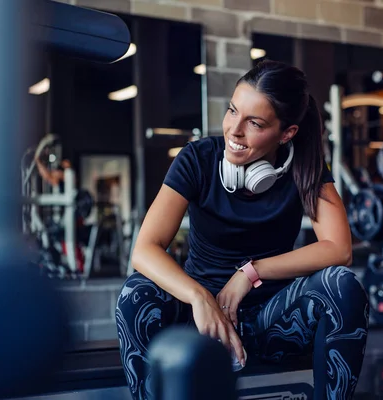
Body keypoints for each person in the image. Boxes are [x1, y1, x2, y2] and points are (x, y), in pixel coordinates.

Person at [116, 60, 369, 400]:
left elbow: (339, 249)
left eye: (255, 123)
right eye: (233, 111)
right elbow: (145, 249)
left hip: (270, 321)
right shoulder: (198, 159)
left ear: (287, 133)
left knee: (343, 285)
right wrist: (199, 296)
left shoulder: (304, 167)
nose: (234, 130)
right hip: (197, 323)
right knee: (135, 293)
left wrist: (250, 273)